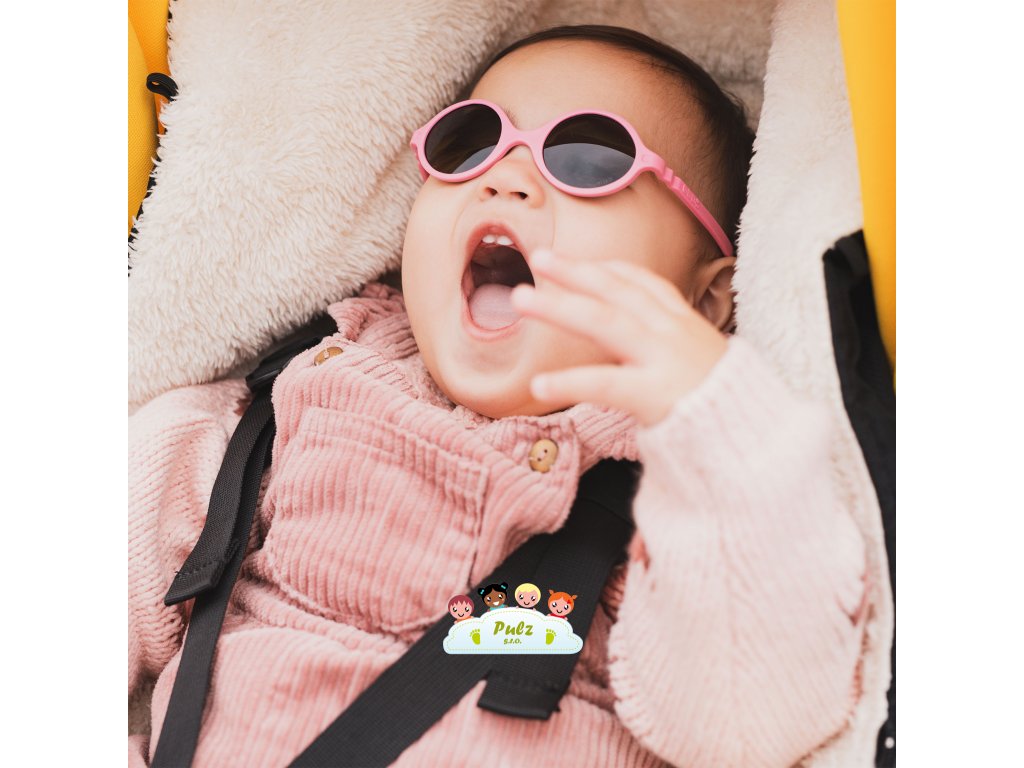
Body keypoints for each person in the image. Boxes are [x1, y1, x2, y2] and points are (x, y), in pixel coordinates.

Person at [129, 24, 869, 768]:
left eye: (590, 159)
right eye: (471, 143)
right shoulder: (302, 390)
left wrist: (722, 440)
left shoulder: (681, 496)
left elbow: (745, 728)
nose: (505, 178)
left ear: (704, 300)